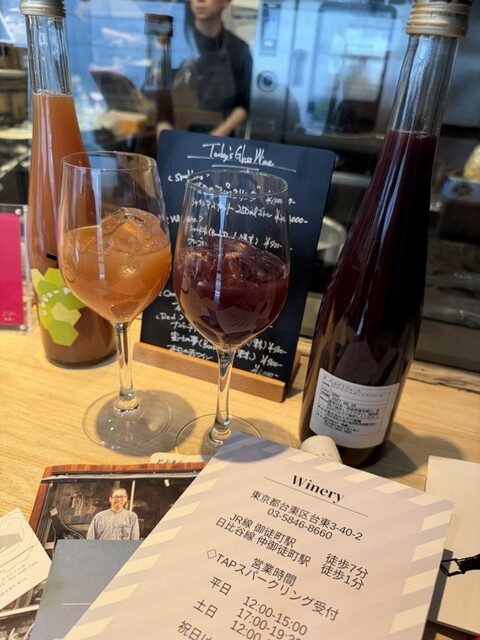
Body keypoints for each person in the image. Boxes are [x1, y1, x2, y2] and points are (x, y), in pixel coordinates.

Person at [167, 0, 253, 137]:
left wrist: (215, 137)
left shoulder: (238, 48)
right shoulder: (177, 45)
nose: (200, 1)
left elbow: (244, 103)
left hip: (221, 142)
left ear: (225, 2)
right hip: (179, 137)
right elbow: (162, 100)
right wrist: (167, 139)